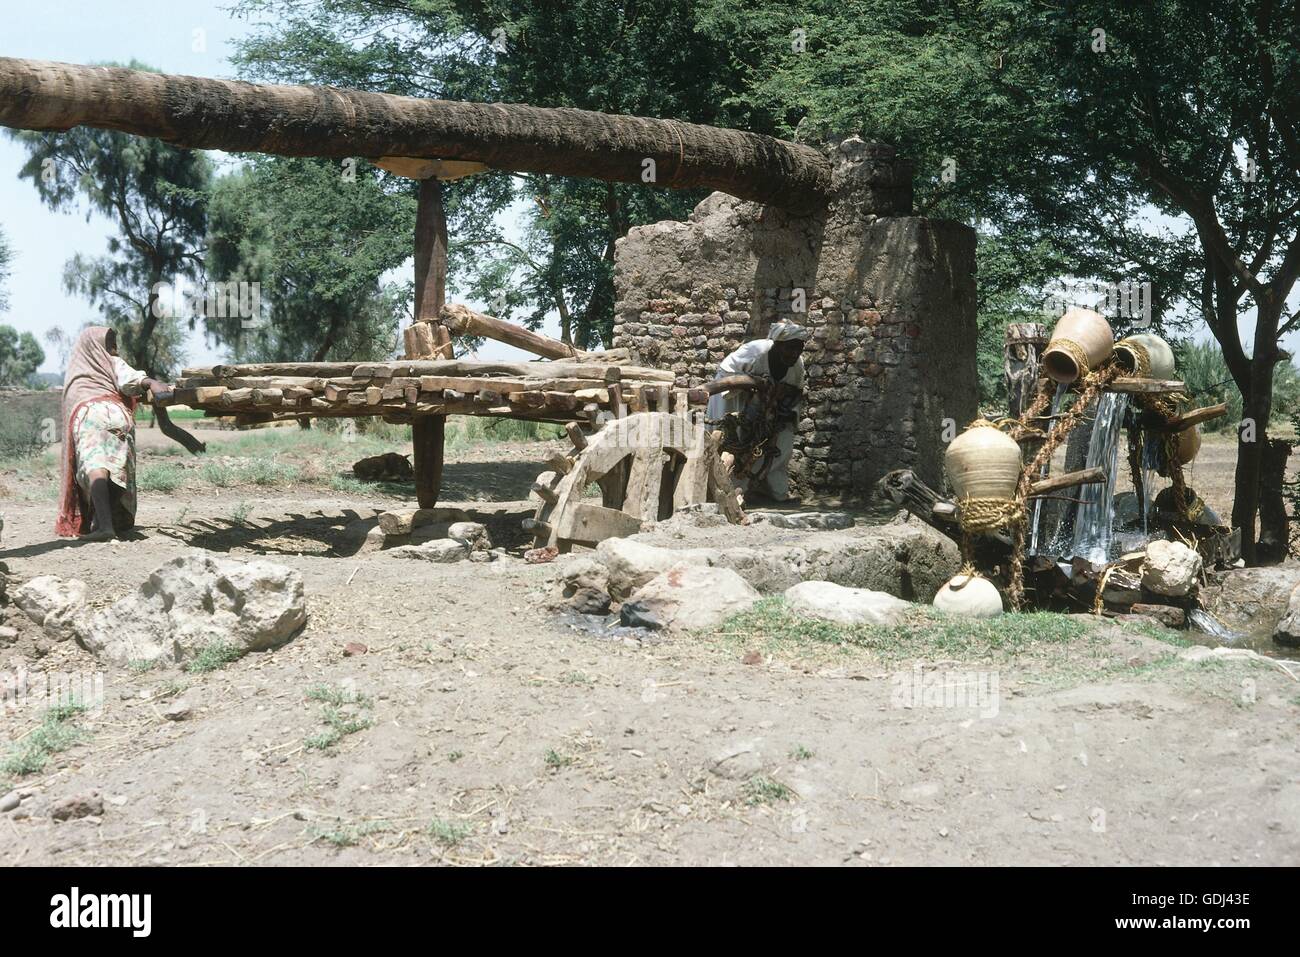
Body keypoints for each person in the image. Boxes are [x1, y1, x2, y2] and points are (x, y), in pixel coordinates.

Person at [55, 327, 176, 540]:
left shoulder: (77, 373)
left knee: (95, 467)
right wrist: (153, 383)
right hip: (118, 416)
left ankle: (104, 527)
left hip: (90, 416)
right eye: (110, 344)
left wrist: (149, 383)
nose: (115, 349)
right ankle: (103, 522)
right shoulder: (112, 362)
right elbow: (131, 379)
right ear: (97, 346)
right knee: (118, 468)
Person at [706, 321, 810, 505]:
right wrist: (752, 392)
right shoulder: (755, 352)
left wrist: (783, 409)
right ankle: (731, 492)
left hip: (772, 406)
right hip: (733, 397)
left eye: (798, 349)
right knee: (734, 440)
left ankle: (776, 493)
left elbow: (796, 390)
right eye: (789, 348)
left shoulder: (797, 364)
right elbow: (727, 376)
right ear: (777, 345)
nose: (794, 354)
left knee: (782, 444)